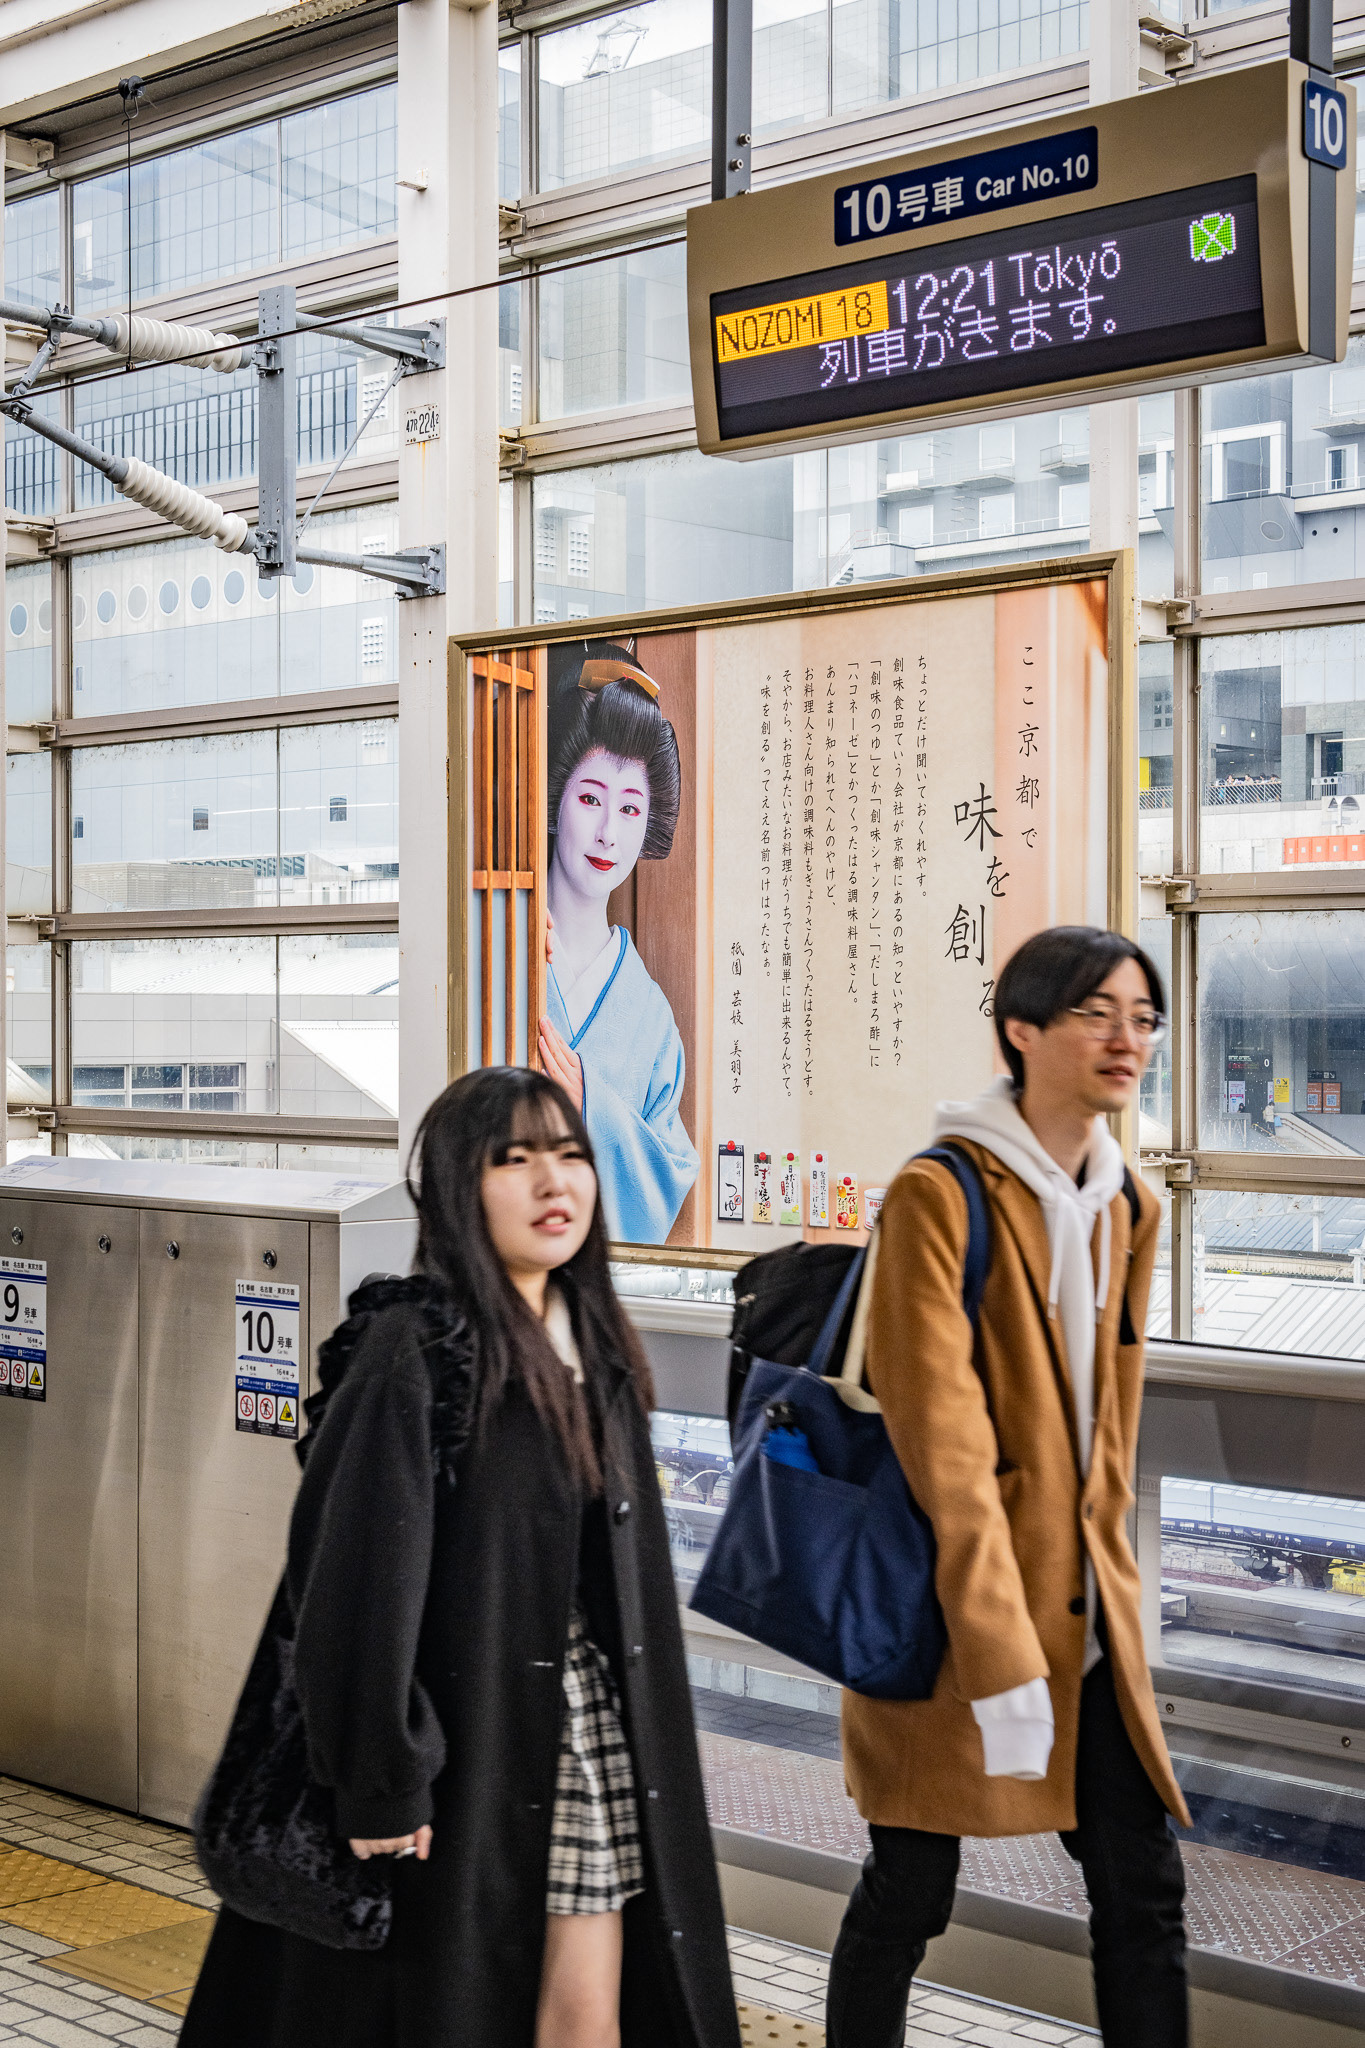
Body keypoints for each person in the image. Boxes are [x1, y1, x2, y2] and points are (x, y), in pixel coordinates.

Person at [182, 1066, 739, 2048]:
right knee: (450, 2002)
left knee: (588, 2006)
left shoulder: (590, 1345)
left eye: (570, 1155)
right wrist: (380, 1773)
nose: (552, 1182)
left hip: (584, 1735)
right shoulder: (417, 1348)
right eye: (513, 1159)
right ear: (452, 1188)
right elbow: (349, 1577)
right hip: (470, 1749)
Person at [826, 927, 1190, 2048]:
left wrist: (1117, 1605)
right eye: (1096, 1013)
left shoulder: (1128, 1202)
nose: (1126, 1038)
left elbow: (1111, 1439)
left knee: (1143, 1889)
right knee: (912, 1888)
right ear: (1021, 1031)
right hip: (952, 1613)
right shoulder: (940, 1194)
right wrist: (999, 1653)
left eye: (1142, 1015)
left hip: (1083, 1621)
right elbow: (948, 1452)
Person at [537, 638, 699, 1243]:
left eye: (631, 809)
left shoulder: (651, 1017)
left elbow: (667, 1177)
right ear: (555, 803)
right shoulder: (501, 953)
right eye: (589, 799)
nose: (609, 832)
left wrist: (590, 1107)